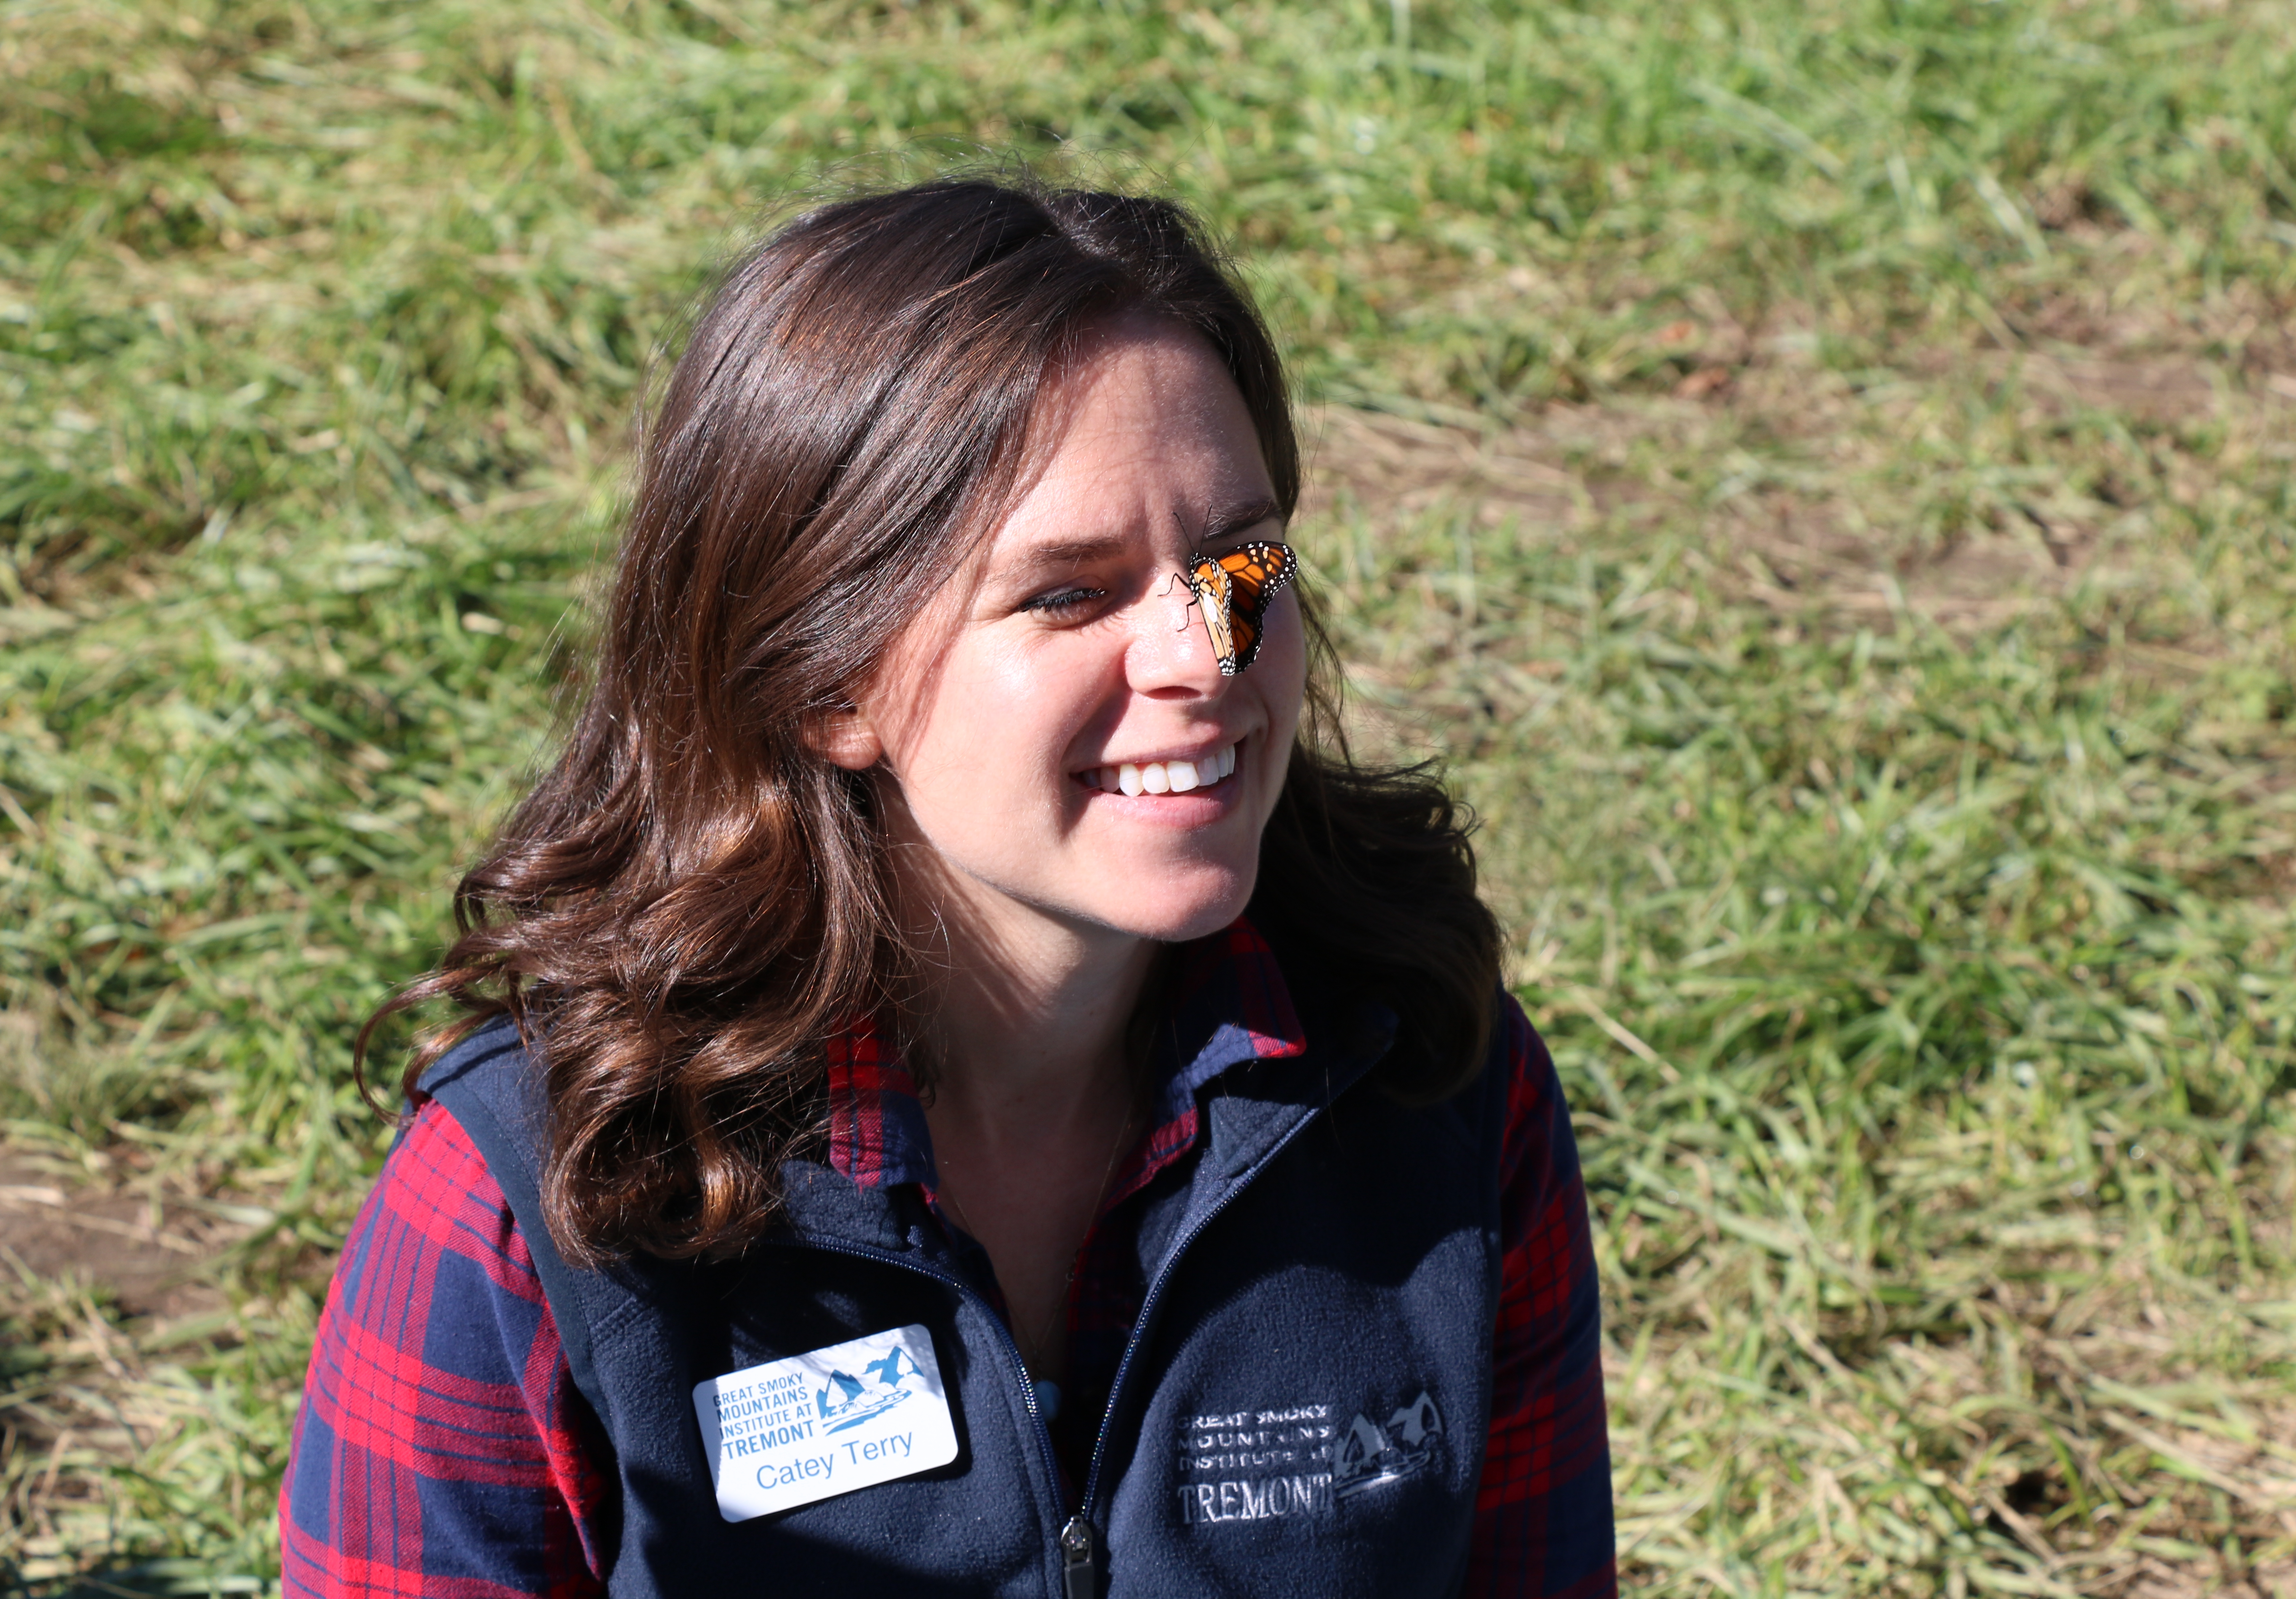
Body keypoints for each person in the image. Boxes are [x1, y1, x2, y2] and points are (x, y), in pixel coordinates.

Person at [279, 175, 1615, 1598]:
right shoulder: (538, 1201)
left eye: (1239, 562)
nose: (1207, 655)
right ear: (827, 684)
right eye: (1068, 594)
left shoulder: (1430, 1081)